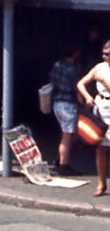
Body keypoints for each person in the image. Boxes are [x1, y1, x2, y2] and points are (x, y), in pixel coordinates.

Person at [75, 40, 110, 196]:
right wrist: (87, 96)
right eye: (103, 53)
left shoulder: (103, 73)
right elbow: (81, 83)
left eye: (108, 54)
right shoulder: (99, 67)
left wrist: (103, 80)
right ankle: (102, 183)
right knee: (100, 148)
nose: (104, 56)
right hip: (101, 107)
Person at [52, 46, 84, 175]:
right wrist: (84, 104)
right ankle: (62, 165)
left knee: (70, 135)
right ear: (75, 53)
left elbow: (52, 81)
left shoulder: (57, 65)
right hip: (68, 105)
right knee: (67, 136)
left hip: (57, 103)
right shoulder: (73, 70)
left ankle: (61, 159)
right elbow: (78, 90)